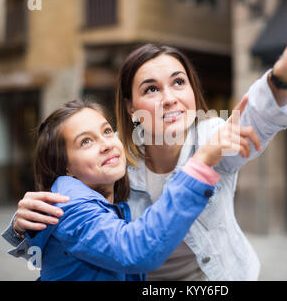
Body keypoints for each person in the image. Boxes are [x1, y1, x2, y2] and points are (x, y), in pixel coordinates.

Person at [2, 0, 287, 280]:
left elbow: (254, 121)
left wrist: (285, 74)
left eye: (178, 82)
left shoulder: (210, 138)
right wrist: (24, 226)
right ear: (129, 106)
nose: (170, 98)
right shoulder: (117, 159)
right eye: (151, 89)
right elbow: (84, 231)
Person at [23, 98, 254, 280]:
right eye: (86, 141)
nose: (106, 144)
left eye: (106, 131)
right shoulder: (70, 207)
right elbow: (135, 251)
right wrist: (200, 164)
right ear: (66, 166)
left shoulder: (100, 193)